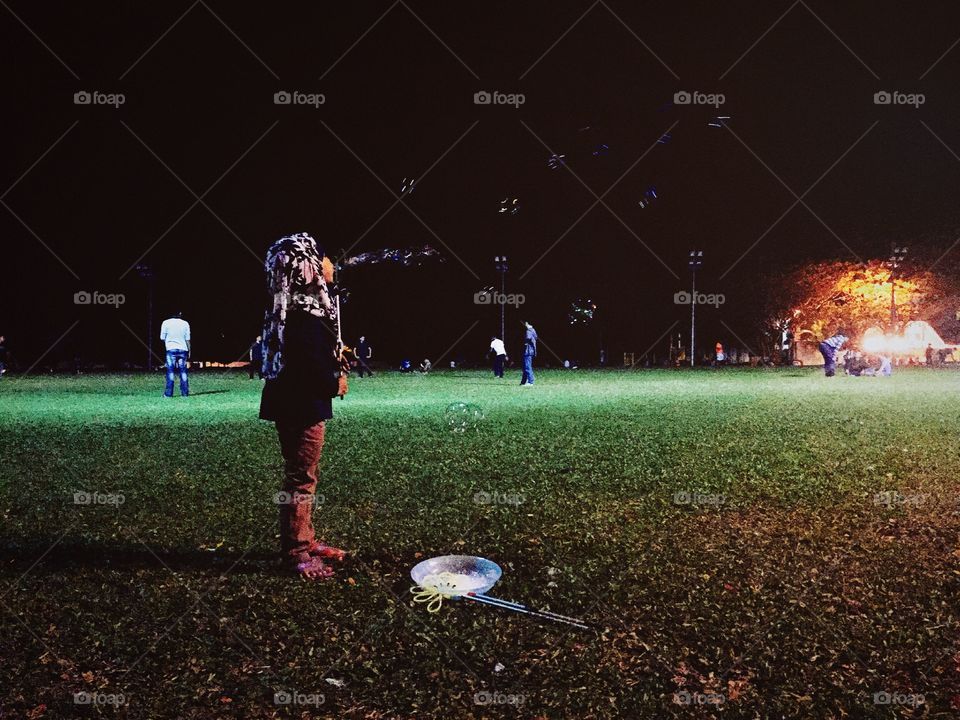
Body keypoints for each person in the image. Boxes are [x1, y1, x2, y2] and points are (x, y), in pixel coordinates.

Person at [259, 232, 348, 581]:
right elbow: (309, 365)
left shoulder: (290, 309)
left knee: (301, 475)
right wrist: (335, 381)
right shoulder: (305, 316)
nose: (331, 266)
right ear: (307, 266)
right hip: (303, 403)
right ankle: (297, 553)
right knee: (301, 478)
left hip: (289, 400)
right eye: (324, 259)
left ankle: (304, 541)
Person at [160, 312, 191, 396]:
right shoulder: (185, 323)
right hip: (183, 349)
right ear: (180, 314)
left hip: (171, 349)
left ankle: (168, 394)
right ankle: (185, 393)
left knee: (170, 371)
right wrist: (189, 350)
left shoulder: (165, 322)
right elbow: (187, 339)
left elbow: (162, 338)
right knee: (183, 371)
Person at [520, 321, 537, 386]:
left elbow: (528, 338)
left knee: (527, 366)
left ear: (526, 323)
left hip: (528, 351)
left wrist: (526, 342)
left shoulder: (528, 331)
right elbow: (535, 338)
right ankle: (523, 382)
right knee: (525, 367)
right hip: (531, 351)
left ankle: (530, 382)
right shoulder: (533, 330)